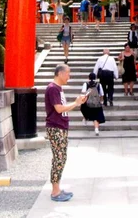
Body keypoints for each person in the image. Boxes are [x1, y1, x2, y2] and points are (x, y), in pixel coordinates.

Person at [45, 64, 87, 202]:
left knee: (60, 158)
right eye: (68, 73)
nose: (69, 76)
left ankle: (56, 188)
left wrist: (77, 102)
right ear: (60, 73)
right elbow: (58, 109)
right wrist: (75, 103)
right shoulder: (52, 89)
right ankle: (55, 191)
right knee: (59, 158)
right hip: (56, 127)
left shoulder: (58, 88)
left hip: (60, 127)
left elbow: (62, 108)